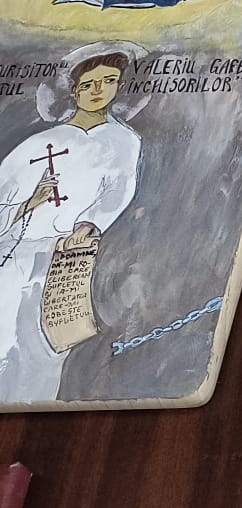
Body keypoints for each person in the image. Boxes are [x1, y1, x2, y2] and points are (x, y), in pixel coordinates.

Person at [0, 44, 142, 401]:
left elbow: (117, 193)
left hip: (63, 258)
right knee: (4, 342)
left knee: (44, 349)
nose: (98, 90)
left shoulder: (124, 141)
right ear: (75, 89)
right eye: (89, 83)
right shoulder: (40, 143)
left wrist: (89, 225)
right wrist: (29, 203)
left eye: (108, 81)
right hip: (13, 258)